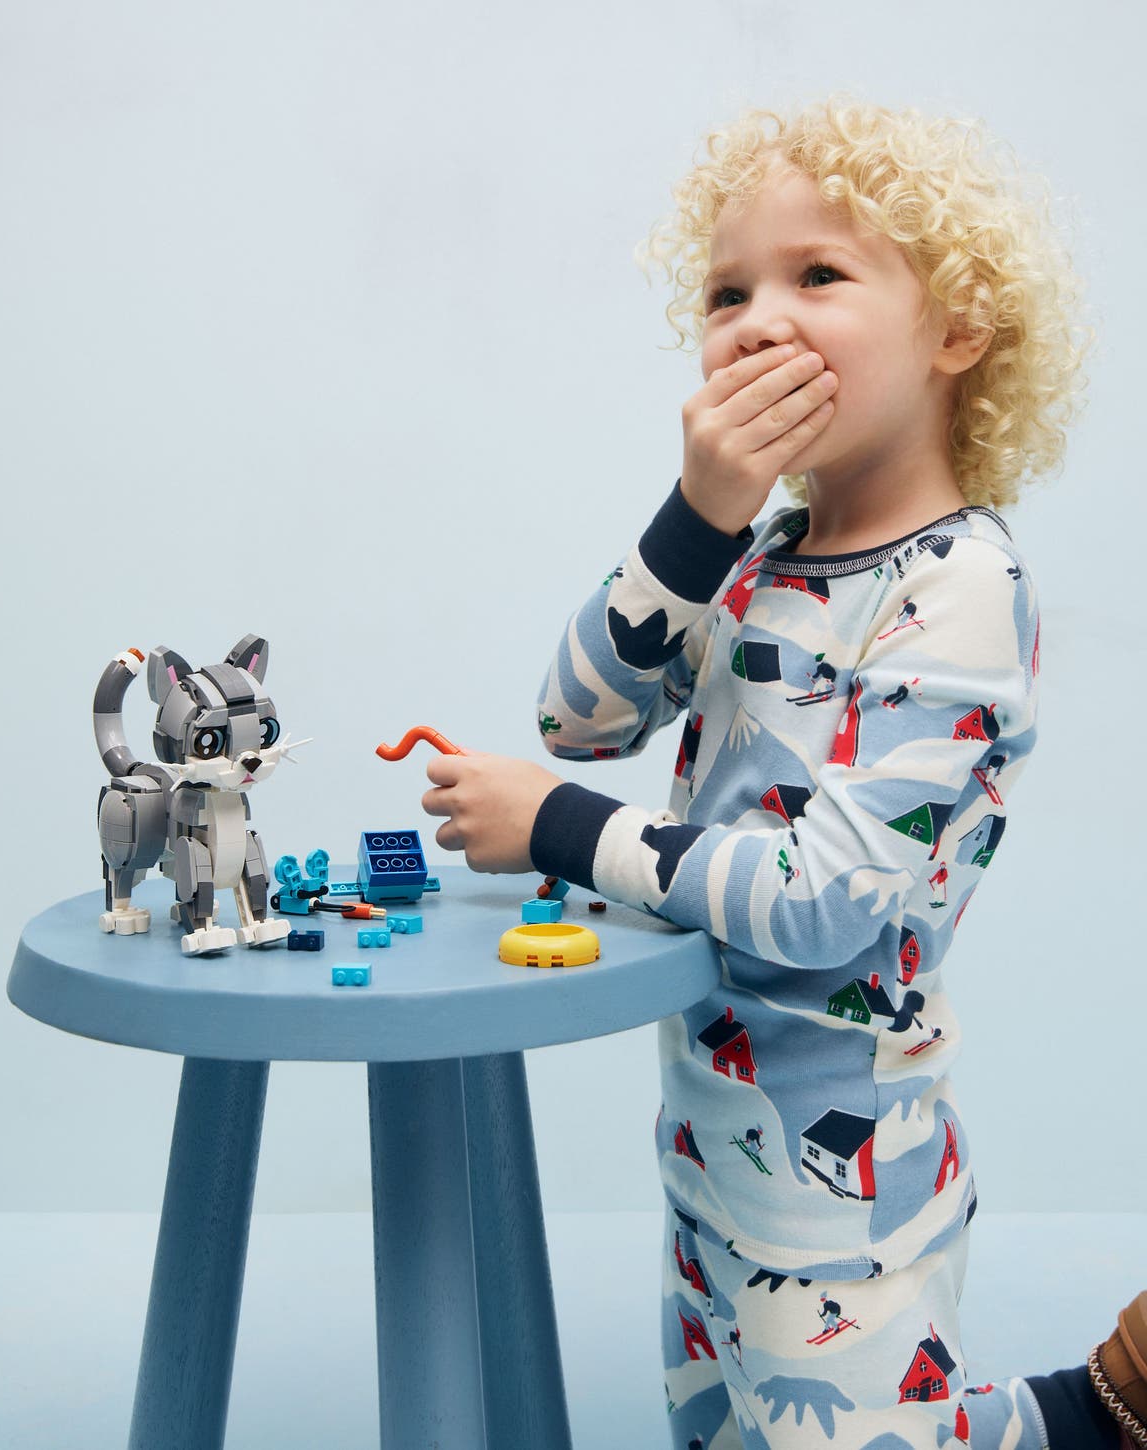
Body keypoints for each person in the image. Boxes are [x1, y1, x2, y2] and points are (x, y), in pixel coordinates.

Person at [420, 95, 1145, 1448]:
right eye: (727, 293)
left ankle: (1098, 1412)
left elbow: (823, 902)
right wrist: (697, 521)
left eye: (819, 275)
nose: (758, 321)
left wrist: (561, 829)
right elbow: (578, 719)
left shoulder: (960, 586)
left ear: (957, 331)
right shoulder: (753, 560)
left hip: (844, 1187)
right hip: (708, 1146)